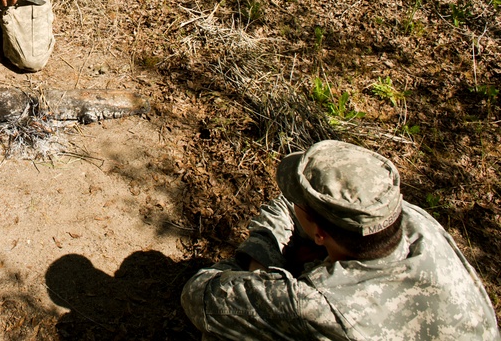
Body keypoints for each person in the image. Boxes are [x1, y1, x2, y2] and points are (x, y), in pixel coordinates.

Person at [181, 140, 501, 340]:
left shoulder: (320, 303)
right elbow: (288, 207)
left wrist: (258, 265)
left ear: (320, 234)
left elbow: (201, 296)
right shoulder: (414, 221)